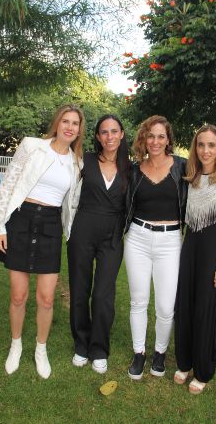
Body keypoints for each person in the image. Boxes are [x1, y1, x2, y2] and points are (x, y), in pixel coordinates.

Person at [0, 104, 85, 379]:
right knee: (18, 294)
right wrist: (0, 226)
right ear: (56, 123)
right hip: (21, 221)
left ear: (79, 130)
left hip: (50, 226)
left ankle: (40, 349)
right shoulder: (32, 146)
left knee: (46, 298)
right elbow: (8, 184)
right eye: (65, 121)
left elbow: (73, 204)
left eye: (75, 123)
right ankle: (16, 345)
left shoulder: (76, 163)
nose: (69, 127)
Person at [173, 124, 216, 395]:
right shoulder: (191, 176)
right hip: (190, 247)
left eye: (211, 145)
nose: (206, 150)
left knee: (206, 309)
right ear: (195, 147)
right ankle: (185, 362)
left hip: (214, 252)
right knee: (186, 305)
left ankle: (203, 370)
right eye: (201, 145)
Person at [122, 115, 188, 380]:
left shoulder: (183, 167)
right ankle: (139, 353)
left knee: (165, 305)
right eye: (151, 136)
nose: (156, 141)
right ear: (144, 139)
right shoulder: (135, 170)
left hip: (170, 241)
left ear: (168, 139)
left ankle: (159, 353)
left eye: (161, 136)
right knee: (138, 300)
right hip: (137, 238)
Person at [67, 114, 131, 374]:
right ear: (97, 136)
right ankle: (81, 344)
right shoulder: (84, 160)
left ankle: (99, 348)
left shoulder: (131, 167)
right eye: (104, 132)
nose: (109, 136)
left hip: (113, 236)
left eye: (114, 131)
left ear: (122, 134)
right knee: (80, 289)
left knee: (103, 294)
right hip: (82, 231)